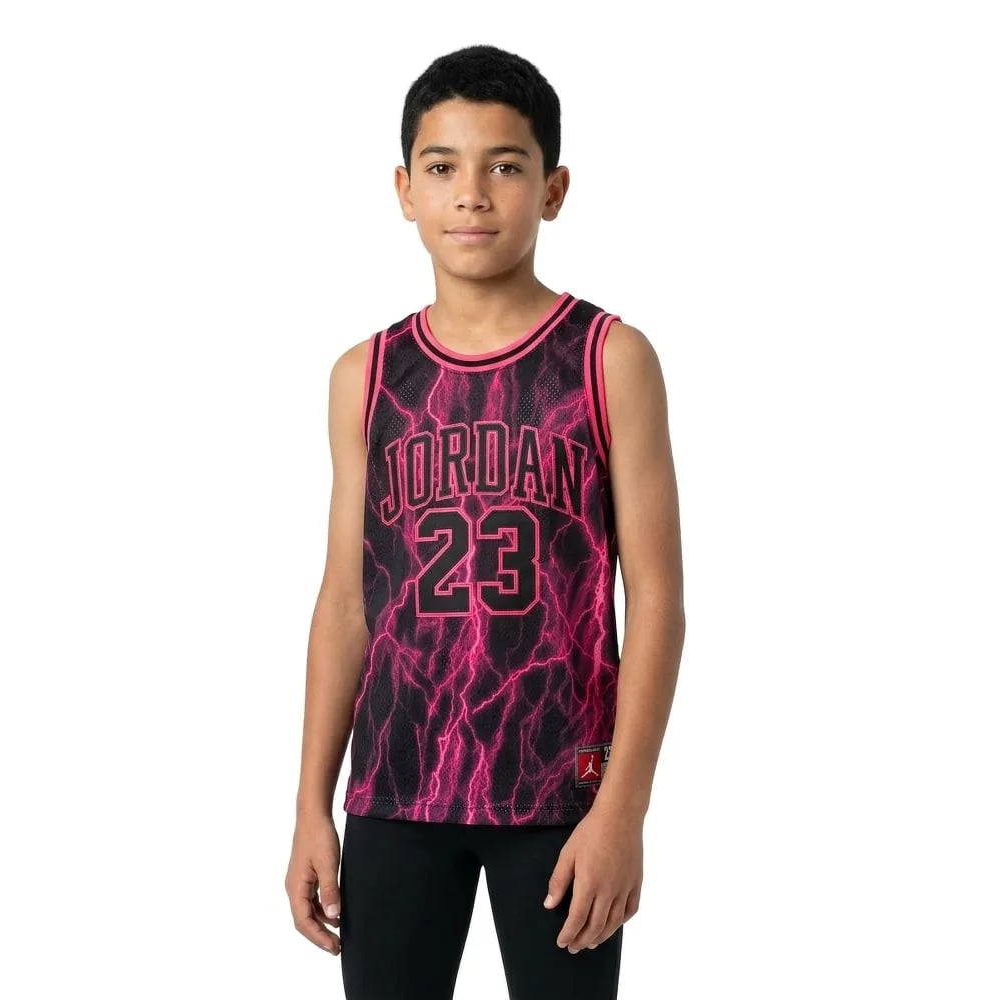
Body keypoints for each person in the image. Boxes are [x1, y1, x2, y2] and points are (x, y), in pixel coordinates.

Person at [285, 43, 685, 1000]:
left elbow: (659, 601)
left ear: (553, 190)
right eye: (441, 167)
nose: (471, 194)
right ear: (404, 189)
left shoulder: (609, 357)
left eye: (505, 166)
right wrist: (309, 805)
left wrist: (623, 810)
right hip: (397, 786)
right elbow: (345, 603)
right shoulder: (365, 375)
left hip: (561, 792)